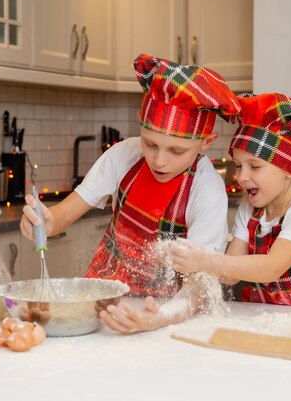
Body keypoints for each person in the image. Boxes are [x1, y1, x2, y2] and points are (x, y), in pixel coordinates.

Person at [20, 53, 241, 332]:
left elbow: (198, 285)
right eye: (150, 144)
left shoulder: (207, 189)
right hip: (103, 303)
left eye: (176, 150)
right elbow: (64, 214)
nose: (159, 161)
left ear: (206, 142)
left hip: (164, 314)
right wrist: (45, 221)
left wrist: (160, 317)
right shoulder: (123, 155)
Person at [171, 92, 291, 305]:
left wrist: (208, 261)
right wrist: (194, 260)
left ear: (289, 170)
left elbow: (270, 268)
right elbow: (231, 273)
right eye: (238, 165)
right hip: (266, 314)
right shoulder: (249, 210)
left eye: (255, 166)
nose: (242, 177)